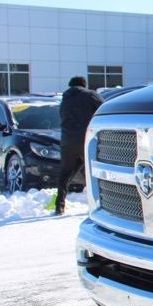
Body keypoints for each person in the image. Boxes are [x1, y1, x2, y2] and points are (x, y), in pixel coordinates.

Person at [56, 76, 104, 215]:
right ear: (84, 84)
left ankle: (59, 206)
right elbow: (104, 110)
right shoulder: (90, 95)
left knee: (65, 174)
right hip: (86, 140)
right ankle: (98, 206)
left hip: (67, 142)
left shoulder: (65, 100)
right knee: (92, 173)